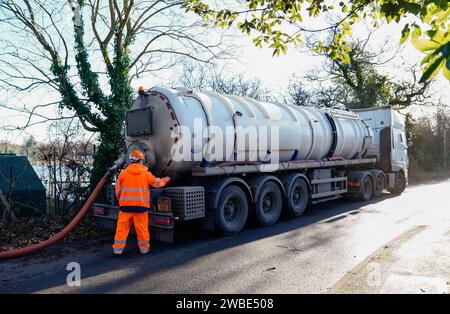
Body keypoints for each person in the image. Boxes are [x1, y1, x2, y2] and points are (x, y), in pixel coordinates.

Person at [113, 150, 170, 255]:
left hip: (125, 207)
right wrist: (166, 179)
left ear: (131, 161)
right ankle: (144, 249)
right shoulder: (146, 174)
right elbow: (158, 184)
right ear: (140, 161)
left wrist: (121, 200)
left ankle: (118, 250)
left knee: (121, 230)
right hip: (140, 208)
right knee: (142, 230)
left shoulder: (123, 174)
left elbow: (117, 190)